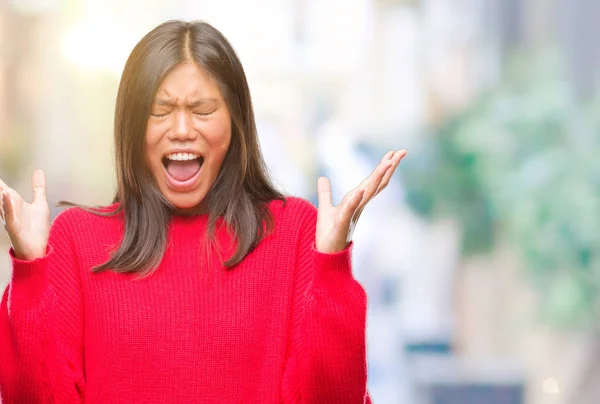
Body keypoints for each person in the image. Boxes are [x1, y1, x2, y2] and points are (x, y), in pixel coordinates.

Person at [0, 20, 406, 403]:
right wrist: (31, 272)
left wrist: (331, 268)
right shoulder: (76, 238)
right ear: (132, 125)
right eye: (160, 111)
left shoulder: (293, 232)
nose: (180, 129)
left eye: (202, 110)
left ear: (235, 122)